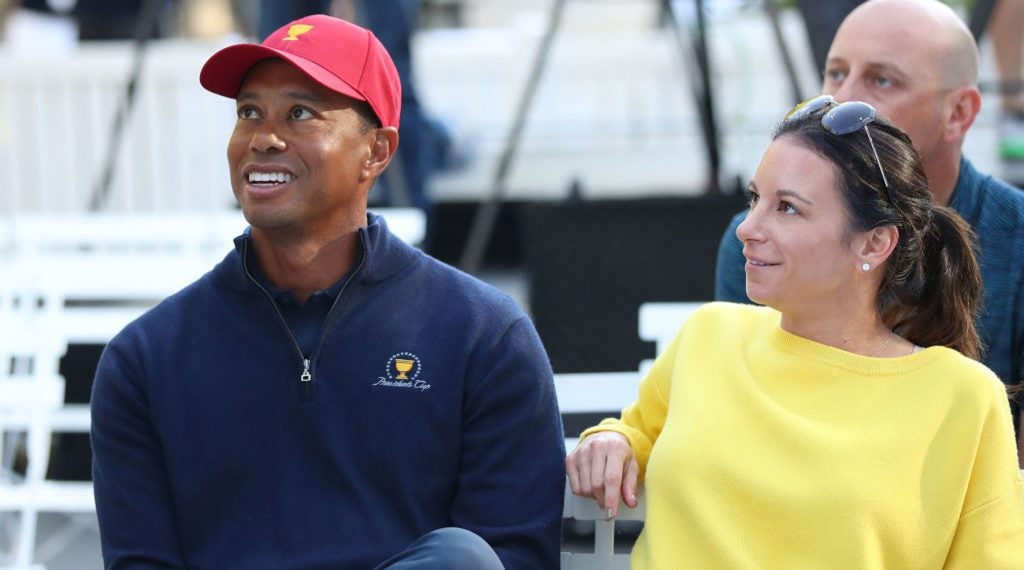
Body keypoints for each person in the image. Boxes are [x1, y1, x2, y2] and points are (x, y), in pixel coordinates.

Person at [89, 14, 566, 569]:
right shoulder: (145, 359)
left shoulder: (483, 334)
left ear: (377, 152)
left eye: (300, 113)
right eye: (249, 112)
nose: (264, 138)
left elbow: (513, 560)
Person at [569, 95, 1024, 567]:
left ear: (875, 242)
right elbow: (635, 431)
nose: (747, 228)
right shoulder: (708, 334)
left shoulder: (962, 396)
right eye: (755, 198)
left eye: (787, 208)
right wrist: (610, 441)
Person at [716, 0, 1024, 463]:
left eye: (883, 80)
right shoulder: (755, 238)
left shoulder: (1015, 235)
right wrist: (617, 436)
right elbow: (746, 424)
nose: (846, 99)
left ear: (959, 112)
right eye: (835, 74)